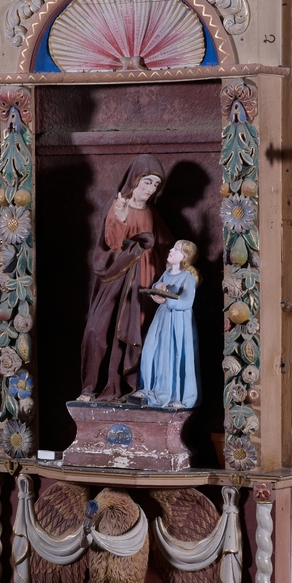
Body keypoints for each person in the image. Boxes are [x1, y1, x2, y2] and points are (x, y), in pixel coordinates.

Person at [78, 155, 172, 402]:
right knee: (98, 329)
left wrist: (175, 271)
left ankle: (132, 388)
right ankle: (92, 387)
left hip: (145, 280)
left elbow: (167, 246)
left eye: (155, 184)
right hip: (118, 277)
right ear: (135, 180)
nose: (151, 189)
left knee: (139, 332)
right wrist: (120, 218)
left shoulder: (152, 213)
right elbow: (112, 243)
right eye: (147, 182)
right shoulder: (118, 206)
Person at [134, 239, 200, 410]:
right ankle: (149, 388)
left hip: (178, 320)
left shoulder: (188, 277)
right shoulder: (167, 272)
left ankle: (175, 395)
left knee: (173, 354)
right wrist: (158, 286)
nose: (171, 250)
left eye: (176, 249)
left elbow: (187, 302)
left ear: (185, 256)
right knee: (151, 350)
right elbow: (159, 285)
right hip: (162, 318)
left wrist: (166, 300)